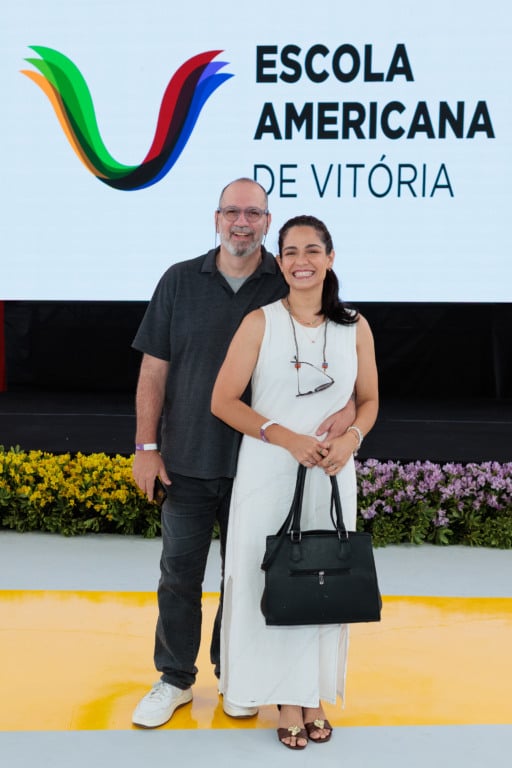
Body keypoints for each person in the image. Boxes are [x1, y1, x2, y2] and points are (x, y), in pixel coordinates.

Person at [130, 180, 356, 728]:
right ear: (216, 218)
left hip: (262, 468)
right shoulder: (180, 280)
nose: (241, 221)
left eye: (253, 213)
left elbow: (337, 363)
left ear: (266, 223)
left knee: (249, 578)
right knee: (178, 576)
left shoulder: (286, 281)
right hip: (187, 457)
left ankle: (235, 674)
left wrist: (349, 424)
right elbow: (153, 370)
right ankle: (175, 678)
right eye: (232, 211)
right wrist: (145, 446)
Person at [211, 214, 379, 749]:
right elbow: (223, 402)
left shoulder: (355, 325)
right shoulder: (259, 322)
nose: (301, 261)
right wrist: (283, 436)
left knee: (325, 581)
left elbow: (370, 401)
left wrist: (352, 436)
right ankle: (286, 700)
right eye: (290, 252)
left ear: (330, 257)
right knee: (278, 582)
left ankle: (313, 696)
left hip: (332, 474)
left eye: (312, 250)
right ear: (278, 261)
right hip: (269, 475)